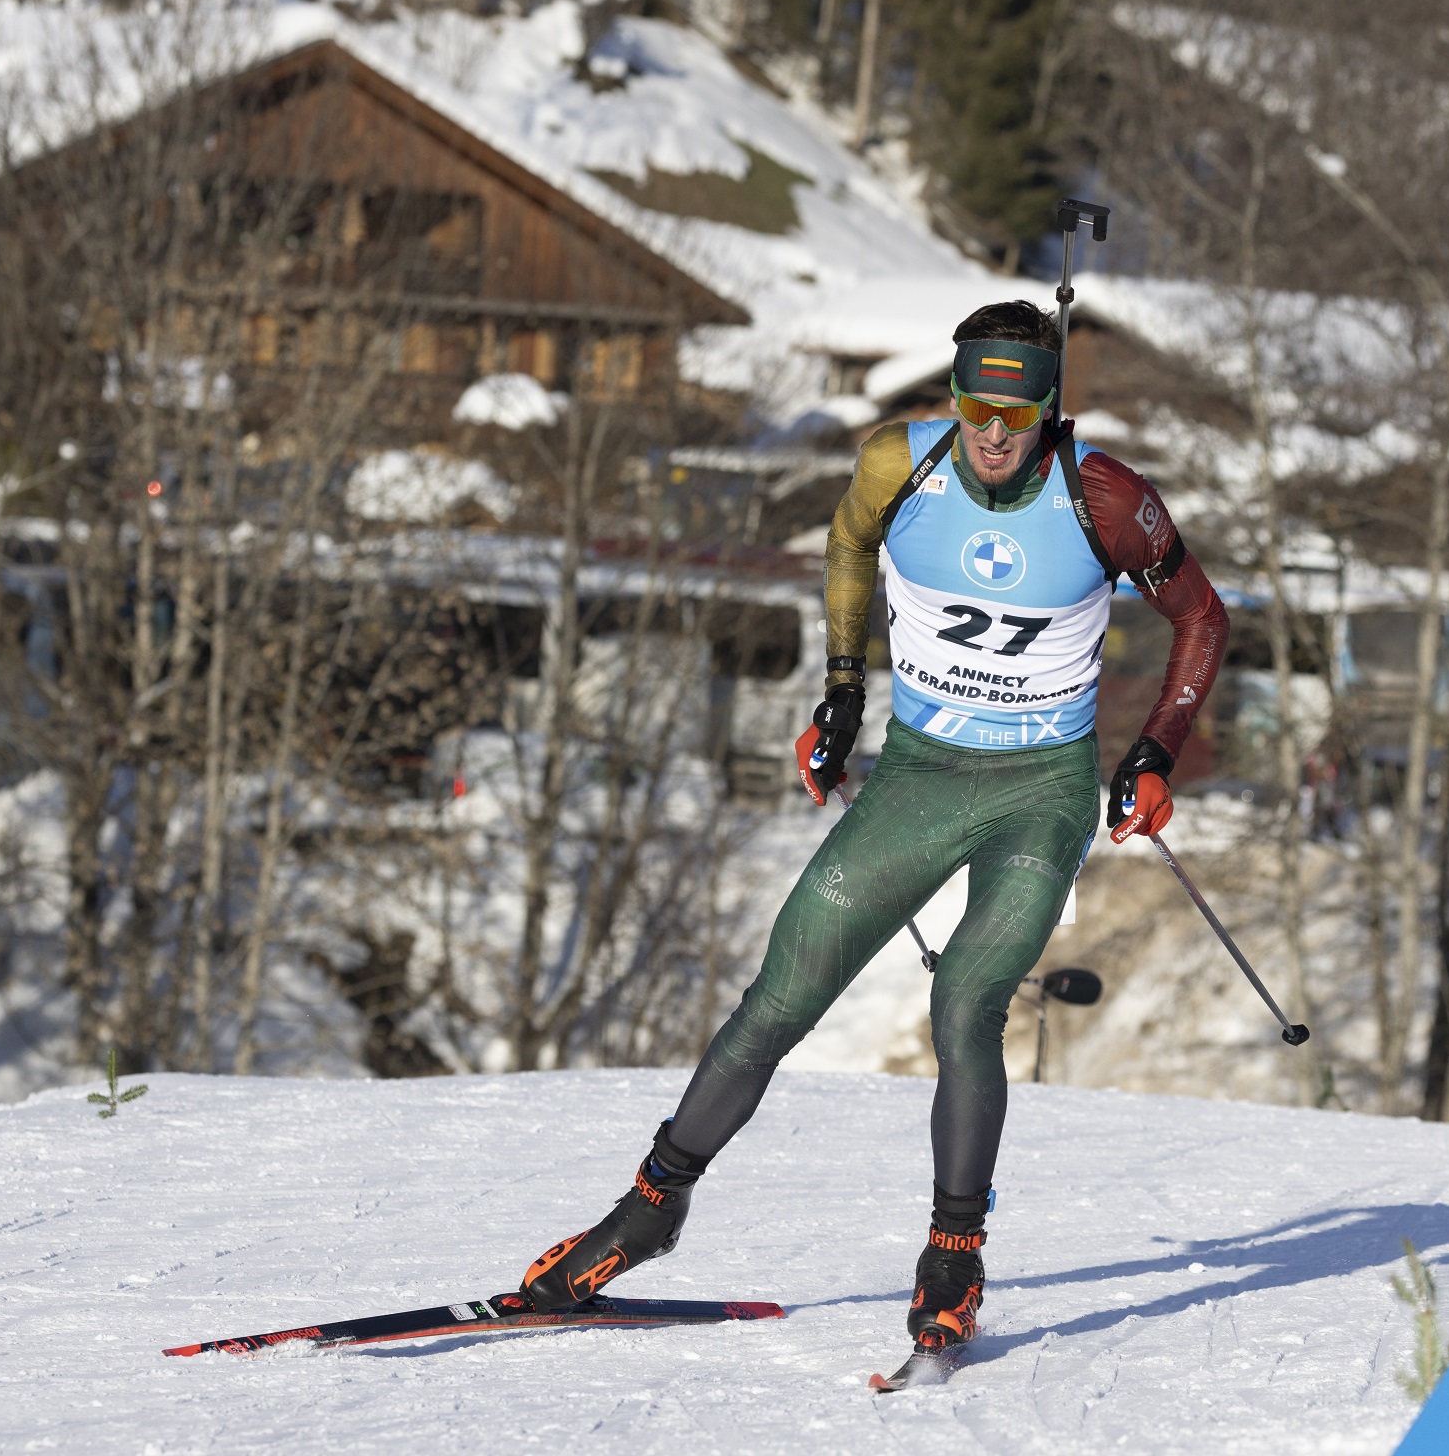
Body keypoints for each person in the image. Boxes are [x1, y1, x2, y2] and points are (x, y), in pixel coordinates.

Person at [519, 300, 1230, 1359]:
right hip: (918, 777)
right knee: (779, 996)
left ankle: (953, 1254)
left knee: (965, 1001)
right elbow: (849, 544)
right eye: (976, 405)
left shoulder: (1106, 499)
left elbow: (1201, 616)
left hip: (1038, 792)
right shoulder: (898, 464)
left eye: (1017, 410)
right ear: (954, 399)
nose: (993, 431)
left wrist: (1157, 750)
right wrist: (842, 690)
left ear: (1047, 408)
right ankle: (649, 1211)